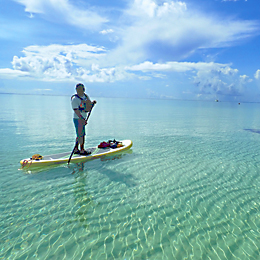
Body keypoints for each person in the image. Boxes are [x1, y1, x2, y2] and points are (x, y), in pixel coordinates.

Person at [71, 83, 96, 155]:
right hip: (77, 119)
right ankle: (82, 150)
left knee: (80, 134)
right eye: (78, 89)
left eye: (81, 89)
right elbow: (76, 110)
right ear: (76, 90)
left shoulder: (85, 96)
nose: (80, 91)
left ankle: (76, 149)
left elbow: (89, 105)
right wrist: (82, 119)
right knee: (81, 135)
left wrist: (92, 104)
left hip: (83, 118)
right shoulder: (75, 99)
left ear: (84, 89)